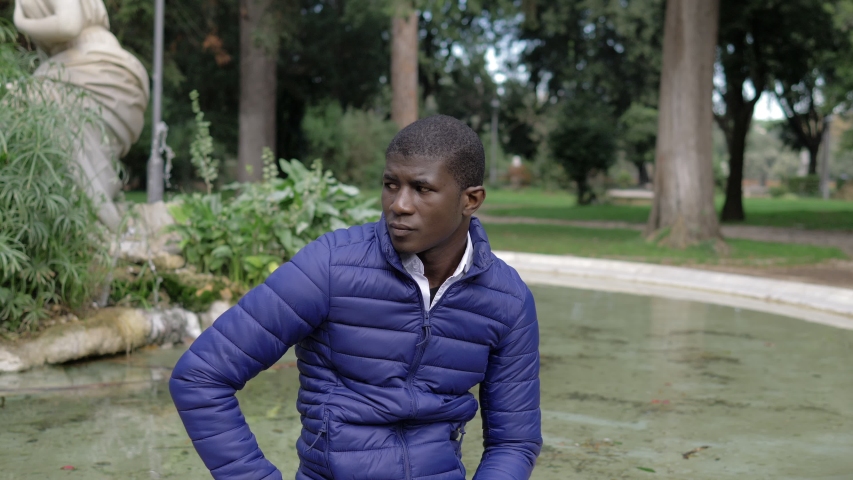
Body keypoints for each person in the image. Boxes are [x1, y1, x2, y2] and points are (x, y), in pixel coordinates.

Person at [169, 115, 542, 480]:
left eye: (422, 188)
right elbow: (201, 378)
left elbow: (514, 441)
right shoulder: (330, 267)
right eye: (391, 184)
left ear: (470, 200)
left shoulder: (507, 300)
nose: (399, 204)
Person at [13, 0, 149, 231]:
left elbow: (68, 26)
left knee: (26, 104)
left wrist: (21, 22)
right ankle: (90, 226)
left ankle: (92, 224)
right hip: (81, 65)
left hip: (91, 65)